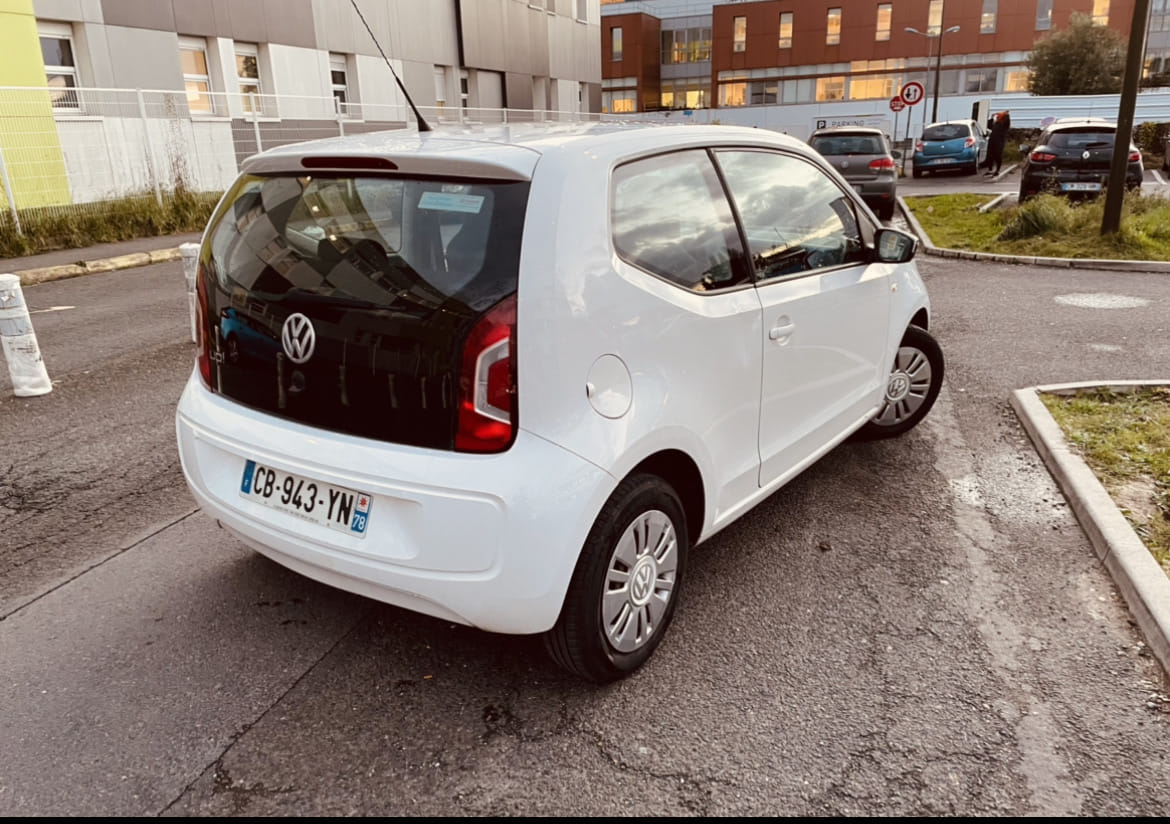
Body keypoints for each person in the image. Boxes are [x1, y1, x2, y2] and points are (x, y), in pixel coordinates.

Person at [984, 110, 1011, 177]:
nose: (997, 117)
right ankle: (990, 169)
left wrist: (1007, 115)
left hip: (999, 142)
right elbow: (989, 126)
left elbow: (1007, 121)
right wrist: (991, 118)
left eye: (998, 117)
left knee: (998, 156)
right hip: (992, 141)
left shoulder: (1004, 125)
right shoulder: (996, 123)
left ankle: (997, 170)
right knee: (990, 156)